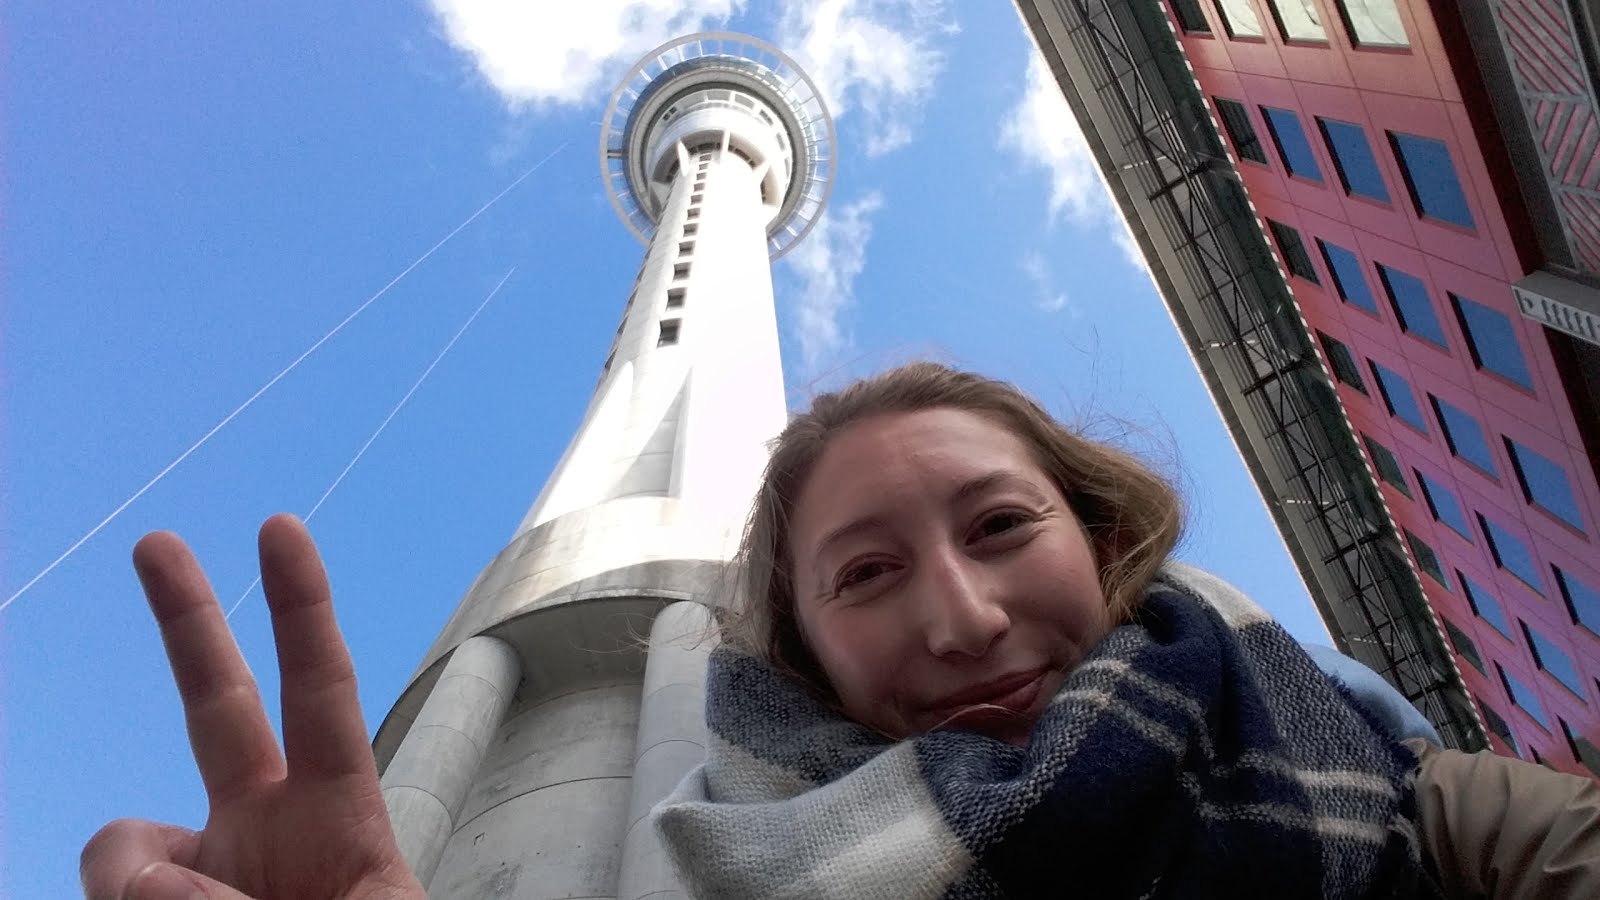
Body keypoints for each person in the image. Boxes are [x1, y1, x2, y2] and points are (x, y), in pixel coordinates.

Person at [83, 363, 1599, 899]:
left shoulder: (1413, 805)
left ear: (1105, 533)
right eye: (863, 576)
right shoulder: (751, 860)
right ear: (793, 652)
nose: (960, 618)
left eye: (1003, 526)